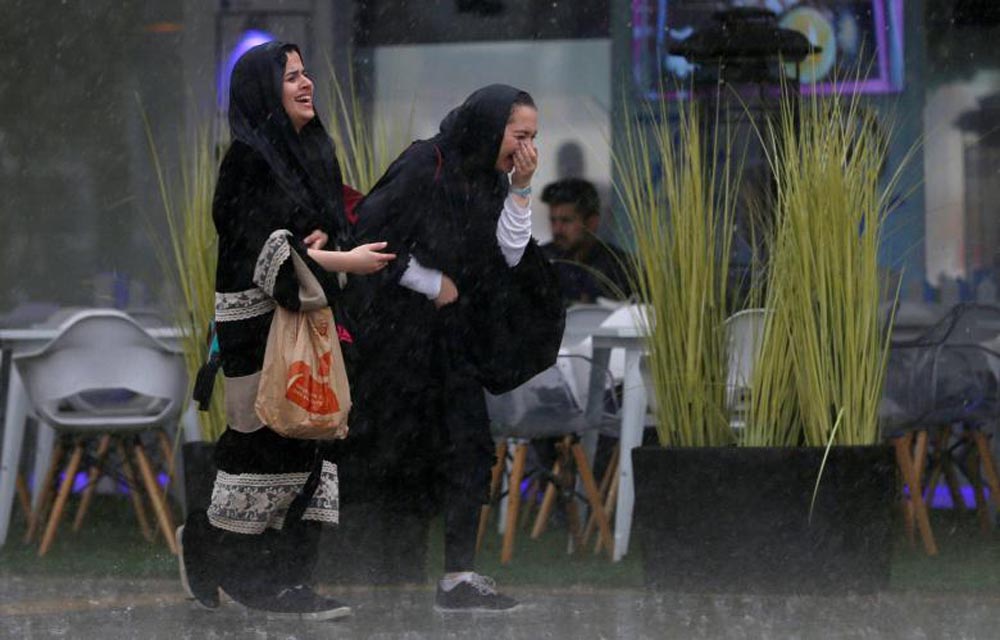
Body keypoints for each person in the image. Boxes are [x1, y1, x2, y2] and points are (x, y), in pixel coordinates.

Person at [175, 41, 394, 620]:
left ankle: (291, 578)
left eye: (305, 73)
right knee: (262, 444)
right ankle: (237, 566)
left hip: (312, 321)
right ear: (261, 91)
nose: (305, 84)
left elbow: (321, 230)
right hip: (257, 327)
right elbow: (258, 247)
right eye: (288, 76)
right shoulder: (247, 158)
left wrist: (328, 244)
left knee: (317, 442)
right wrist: (339, 259)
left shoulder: (313, 152)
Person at [338, 84, 565, 611]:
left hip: (453, 339)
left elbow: (508, 254)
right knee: (393, 450)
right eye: (520, 135)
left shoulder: (491, 178)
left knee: (466, 447)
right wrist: (428, 281)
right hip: (398, 341)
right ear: (490, 126)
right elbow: (368, 237)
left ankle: (459, 575)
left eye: (535, 136)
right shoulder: (425, 164)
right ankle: (374, 571)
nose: (527, 146)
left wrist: (522, 187)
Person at [540, 177, 633, 305]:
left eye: (566, 221)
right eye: (553, 220)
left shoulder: (621, 268)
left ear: (591, 223)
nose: (557, 230)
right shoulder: (538, 263)